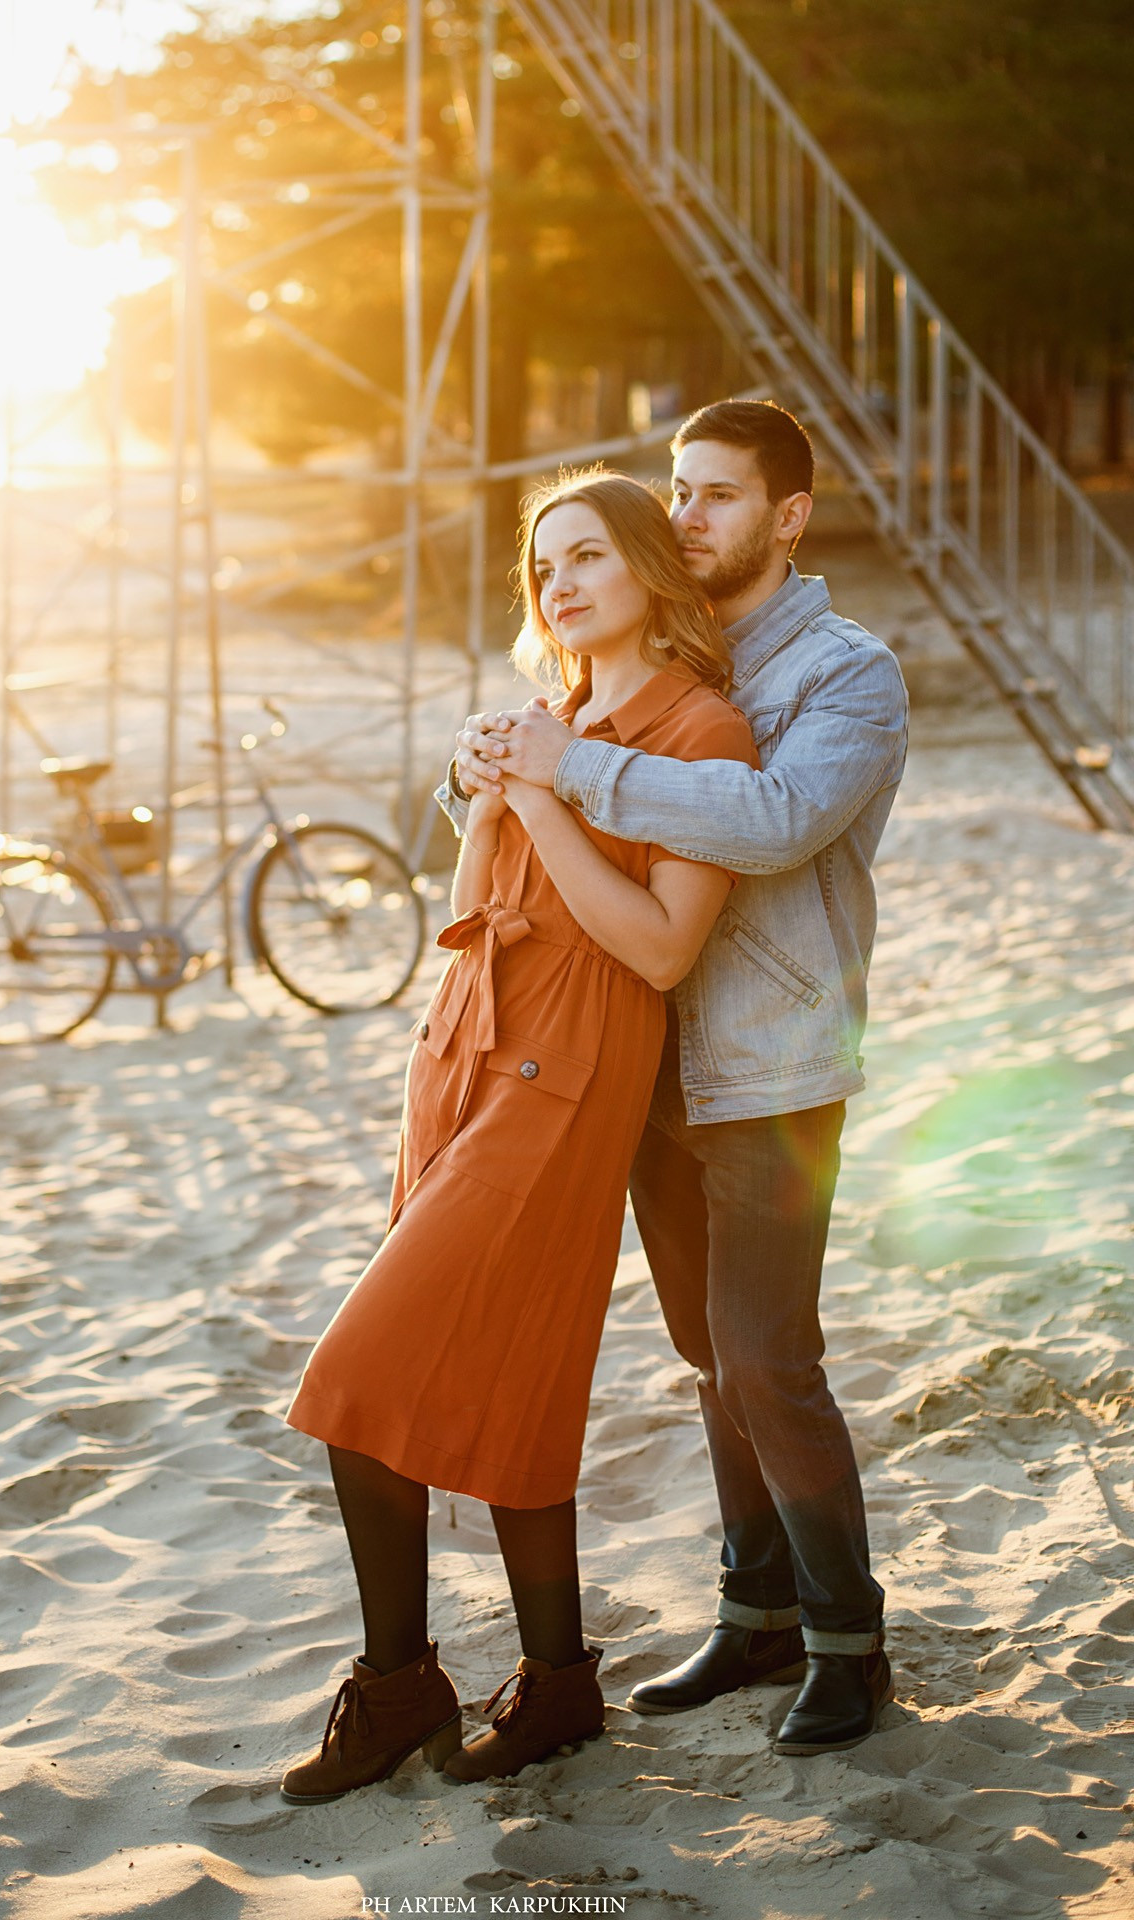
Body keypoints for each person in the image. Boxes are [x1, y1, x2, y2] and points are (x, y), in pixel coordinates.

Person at [280, 471, 758, 1803]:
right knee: (510, 1369)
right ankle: (558, 1685)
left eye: (589, 553)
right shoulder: (549, 713)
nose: (556, 580)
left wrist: (544, 795)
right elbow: (471, 896)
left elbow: (664, 951)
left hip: (573, 1064)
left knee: (354, 1387)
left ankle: (400, 1684)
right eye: (542, 562)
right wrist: (489, 799)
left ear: (653, 571)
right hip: (463, 1045)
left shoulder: (702, 733)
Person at [450, 399, 908, 1757]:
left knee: (771, 1359)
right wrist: (479, 766)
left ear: (786, 517)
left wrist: (566, 762)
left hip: (770, 1060)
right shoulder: (641, 659)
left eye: (717, 495)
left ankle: (847, 1637)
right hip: (641, 1054)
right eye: (679, 490)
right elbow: (538, 815)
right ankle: (755, 1610)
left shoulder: (845, 672)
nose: (689, 514)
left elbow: (768, 824)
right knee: (711, 1359)